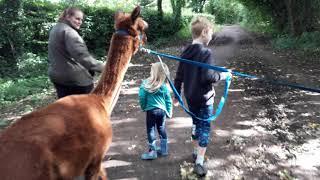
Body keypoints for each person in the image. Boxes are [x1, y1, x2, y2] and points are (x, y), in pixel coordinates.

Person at [173, 17, 232, 176]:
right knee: (204, 127)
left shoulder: (185, 51)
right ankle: (199, 162)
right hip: (205, 99)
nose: (211, 36)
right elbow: (209, 77)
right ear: (204, 32)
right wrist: (224, 76)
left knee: (195, 123)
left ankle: (195, 150)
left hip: (191, 98)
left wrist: (177, 95)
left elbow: (179, 76)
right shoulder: (206, 52)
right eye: (211, 33)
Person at [48, 7, 104, 99]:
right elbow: (82, 57)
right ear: (68, 17)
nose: (80, 22)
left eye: (81, 20)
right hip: (75, 80)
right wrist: (105, 68)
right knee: (84, 110)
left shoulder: (56, 28)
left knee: (66, 108)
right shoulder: (69, 32)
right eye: (77, 19)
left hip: (57, 77)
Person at [139, 62, 173, 160]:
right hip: (162, 111)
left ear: (153, 72)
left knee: (151, 130)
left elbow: (142, 97)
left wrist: (143, 106)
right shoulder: (164, 86)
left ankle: (152, 152)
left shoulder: (146, 84)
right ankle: (164, 149)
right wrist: (169, 112)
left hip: (151, 111)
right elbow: (168, 100)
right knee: (161, 128)